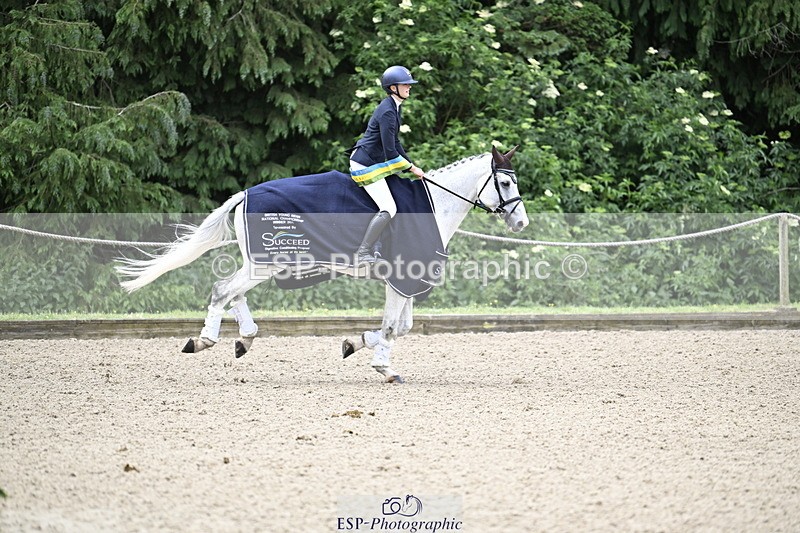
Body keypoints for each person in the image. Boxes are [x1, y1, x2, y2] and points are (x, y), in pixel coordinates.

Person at [349, 65, 426, 265]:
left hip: (374, 162)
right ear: (393, 88)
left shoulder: (394, 107)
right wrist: (412, 169)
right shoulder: (387, 112)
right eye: (405, 85)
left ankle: (378, 246)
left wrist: (411, 164)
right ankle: (362, 253)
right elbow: (390, 152)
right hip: (364, 165)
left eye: (410, 85)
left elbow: (396, 143)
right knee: (389, 208)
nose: (409, 88)